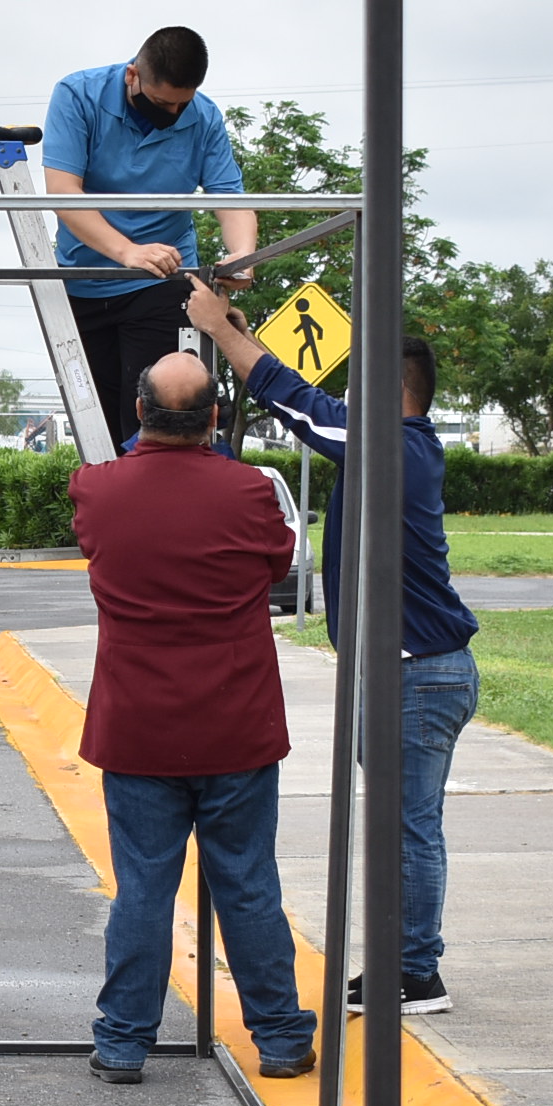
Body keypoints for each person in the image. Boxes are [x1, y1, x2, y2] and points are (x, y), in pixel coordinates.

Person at [186, 279, 479, 1015]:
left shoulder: (395, 447)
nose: (344, 402)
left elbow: (298, 405)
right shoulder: (388, 447)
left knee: (407, 826)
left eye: (358, 388)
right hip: (405, 670)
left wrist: (222, 334)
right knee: (402, 823)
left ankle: (414, 974)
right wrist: (240, 336)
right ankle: (407, 966)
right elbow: (305, 404)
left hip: (416, 674)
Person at [68, 353, 318, 1083]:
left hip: (139, 727)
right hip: (235, 723)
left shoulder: (97, 490)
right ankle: (276, 1035)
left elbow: (97, 538)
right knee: (247, 881)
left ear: (139, 413)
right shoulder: (247, 491)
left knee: (143, 887)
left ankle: (122, 1042)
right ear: (215, 418)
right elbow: (275, 564)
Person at [42, 26, 262, 436]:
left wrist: (242, 256)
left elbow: (230, 198)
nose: (174, 114)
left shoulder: (205, 117)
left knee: (155, 418)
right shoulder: (77, 96)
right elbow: (63, 192)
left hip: (163, 279)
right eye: (163, 103)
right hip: (86, 281)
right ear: (133, 76)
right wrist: (127, 251)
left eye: (183, 104)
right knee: (98, 428)